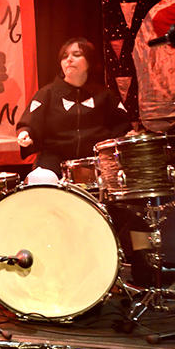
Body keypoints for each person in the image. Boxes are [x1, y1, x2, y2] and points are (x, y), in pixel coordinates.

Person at [16, 37, 153, 285]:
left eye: (76, 54)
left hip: (97, 163)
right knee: (39, 179)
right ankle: (44, 255)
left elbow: (121, 126)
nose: (69, 59)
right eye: (65, 55)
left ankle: (142, 265)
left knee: (134, 192)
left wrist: (127, 136)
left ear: (89, 62)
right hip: (55, 160)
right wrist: (26, 134)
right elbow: (30, 123)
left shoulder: (105, 96)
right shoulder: (46, 94)